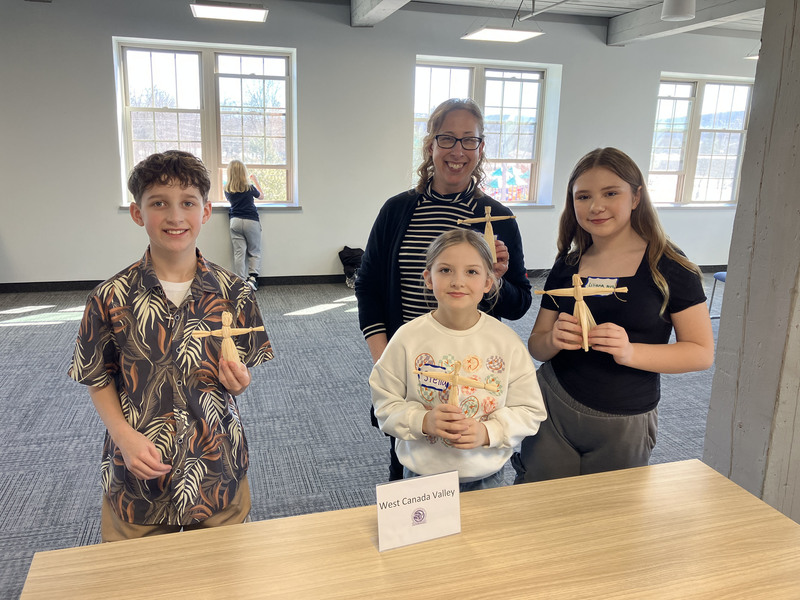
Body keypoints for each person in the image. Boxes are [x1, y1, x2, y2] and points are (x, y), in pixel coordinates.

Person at [68, 150, 274, 542]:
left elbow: (239, 374)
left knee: (223, 568)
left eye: (188, 203)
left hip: (215, 469)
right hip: (138, 477)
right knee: (138, 573)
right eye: (159, 203)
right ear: (137, 213)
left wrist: (240, 381)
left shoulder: (234, 293)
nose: (175, 216)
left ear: (206, 211)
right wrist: (123, 436)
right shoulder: (109, 298)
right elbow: (97, 377)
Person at [512, 147, 715, 484]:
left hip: (625, 416)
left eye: (610, 193)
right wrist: (553, 340)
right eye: (583, 196)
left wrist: (630, 351)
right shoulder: (568, 264)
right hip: (553, 405)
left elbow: (700, 352)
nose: (596, 206)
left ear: (636, 197)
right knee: (541, 502)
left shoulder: (669, 267)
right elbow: (537, 346)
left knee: (611, 510)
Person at [356, 98, 532, 480]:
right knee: (411, 464)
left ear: (480, 148)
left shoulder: (498, 218)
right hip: (412, 369)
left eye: (469, 140)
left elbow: (519, 303)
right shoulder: (397, 210)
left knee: (475, 467)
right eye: (447, 138)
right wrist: (385, 357)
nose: (457, 151)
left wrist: (495, 281)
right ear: (430, 145)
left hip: (473, 374)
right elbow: (367, 285)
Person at [370, 229, 546, 490]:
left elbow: (530, 410)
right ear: (428, 278)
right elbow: (384, 402)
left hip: (486, 476)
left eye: (472, 272)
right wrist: (422, 421)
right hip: (422, 476)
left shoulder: (506, 343)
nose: (457, 281)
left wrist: (489, 432)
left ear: (488, 282)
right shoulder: (407, 338)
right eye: (445, 270)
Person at [225, 159, 263, 290]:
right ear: (243, 172)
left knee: (239, 253)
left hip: (235, 221)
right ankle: (252, 280)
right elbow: (261, 196)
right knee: (254, 251)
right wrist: (255, 181)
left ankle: (240, 282)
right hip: (251, 221)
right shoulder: (249, 187)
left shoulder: (227, 189)